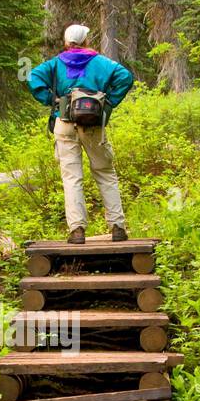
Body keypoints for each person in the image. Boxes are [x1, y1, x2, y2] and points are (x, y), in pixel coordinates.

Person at [28, 24, 135, 244]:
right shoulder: (101, 62)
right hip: (94, 124)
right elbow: (125, 77)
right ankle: (117, 227)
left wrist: (52, 101)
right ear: (86, 41)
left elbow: (33, 78)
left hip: (65, 122)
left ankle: (77, 230)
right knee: (105, 172)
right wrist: (108, 103)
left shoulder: (55, 64)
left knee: (71, 178)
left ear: (66, 42)